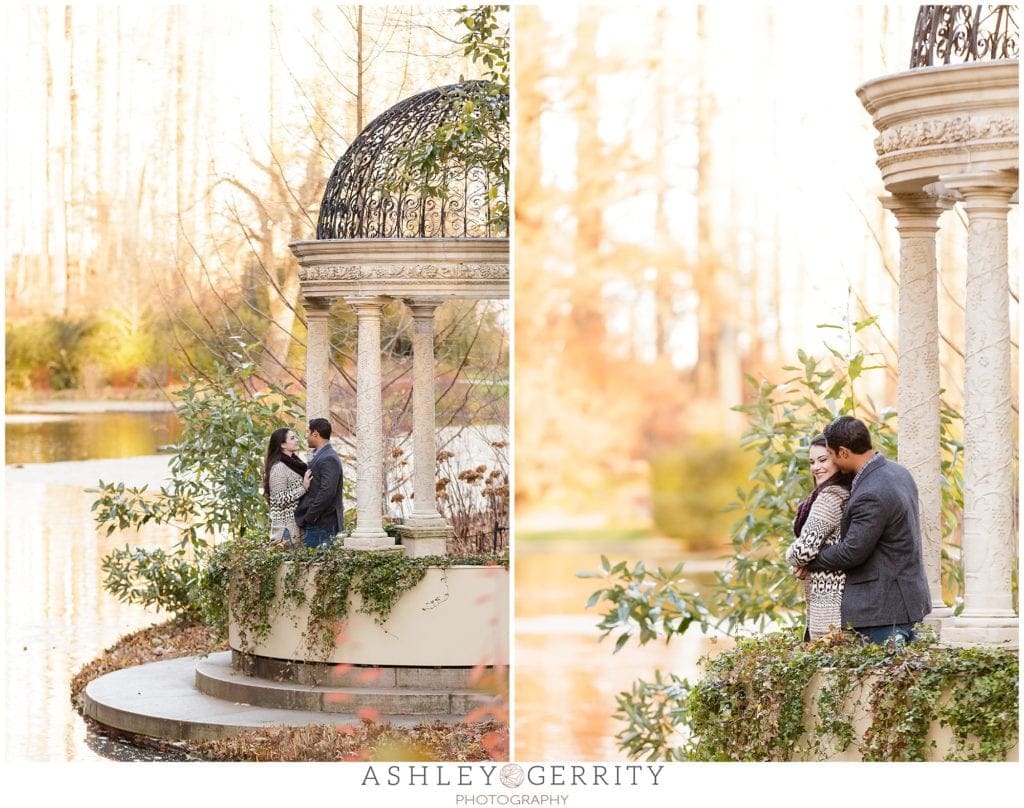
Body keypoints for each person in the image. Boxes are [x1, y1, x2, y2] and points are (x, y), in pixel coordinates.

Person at [795, 415, 932, 645]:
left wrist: (808, 560)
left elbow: (852, 551)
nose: (831, 464)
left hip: (882, 611)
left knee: (881, 680)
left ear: (844, 453)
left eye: (831, 456)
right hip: (906, 603)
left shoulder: (871, 492)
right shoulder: (898, 472)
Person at [786, 434, 853, 640]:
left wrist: (792, 556)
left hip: (828, 598)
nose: (816, 467)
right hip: (839, 596)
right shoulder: (846, 492)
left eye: (823, 460)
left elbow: (802, 551)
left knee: (827, 657)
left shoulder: (829, 498)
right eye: (812, 462)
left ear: (838, 459)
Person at [294, 417, 344, 549]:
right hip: (318, 523)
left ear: (315, 433)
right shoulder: (320, 455)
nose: (305, 436)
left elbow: (327, 492)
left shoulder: (328, 457)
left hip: (322, 524)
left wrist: (310, 516)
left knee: (315, 567)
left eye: (307, 432)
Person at [263, 427, 308, 546]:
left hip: (296, 527)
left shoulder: (294, 463)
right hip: (286, 530)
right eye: (292, 438)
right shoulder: (278, 468)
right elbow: (280, 499)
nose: (297, 440)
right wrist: (304, 488)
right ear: (282, 444)